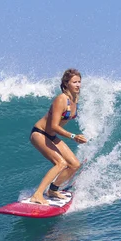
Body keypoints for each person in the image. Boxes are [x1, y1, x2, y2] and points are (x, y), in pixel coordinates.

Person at [29, 68, 87, 204]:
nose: (78, 85)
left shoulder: (75, 99)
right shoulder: (61, 100)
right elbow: (54, 126)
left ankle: (53, 190)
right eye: (74, 82)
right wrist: (74, 136)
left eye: (79, 82)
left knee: (74, 164)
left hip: (51, 136)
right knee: (60, 163)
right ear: (66, 84)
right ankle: (37, 195)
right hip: (39, 133)